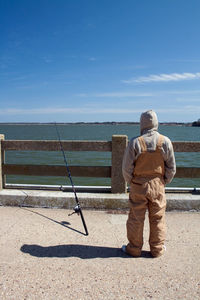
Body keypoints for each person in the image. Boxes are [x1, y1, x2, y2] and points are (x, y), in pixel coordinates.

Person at [122, 110, 176, 257]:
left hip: (138, 185)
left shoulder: (135, 142)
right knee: (158, 217)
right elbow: (172, 168)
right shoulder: (165, 142)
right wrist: (163, 181)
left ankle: (134, 248)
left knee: (135, 218)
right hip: (157, 185)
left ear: (142, 123)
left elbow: (126, 169)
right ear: (156, 123)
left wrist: (132, 182)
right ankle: (157, 249)